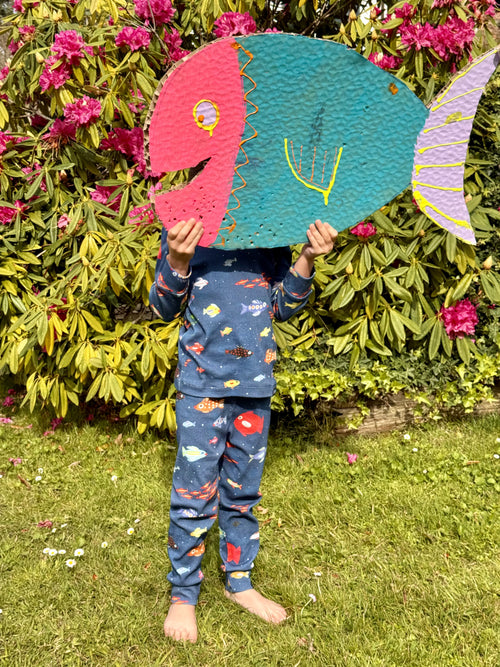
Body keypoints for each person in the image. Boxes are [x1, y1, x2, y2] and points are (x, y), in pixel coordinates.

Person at [149, 217, 337, 642]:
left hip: (254, 386)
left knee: (243, 492)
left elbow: (283, 306)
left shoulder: (272, 231)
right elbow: (162, 306)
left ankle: (239, 582)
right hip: (200, 387)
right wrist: (177, 260)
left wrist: (307, 256)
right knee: (194, 494)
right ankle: (183, 595)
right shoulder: (188, 227)